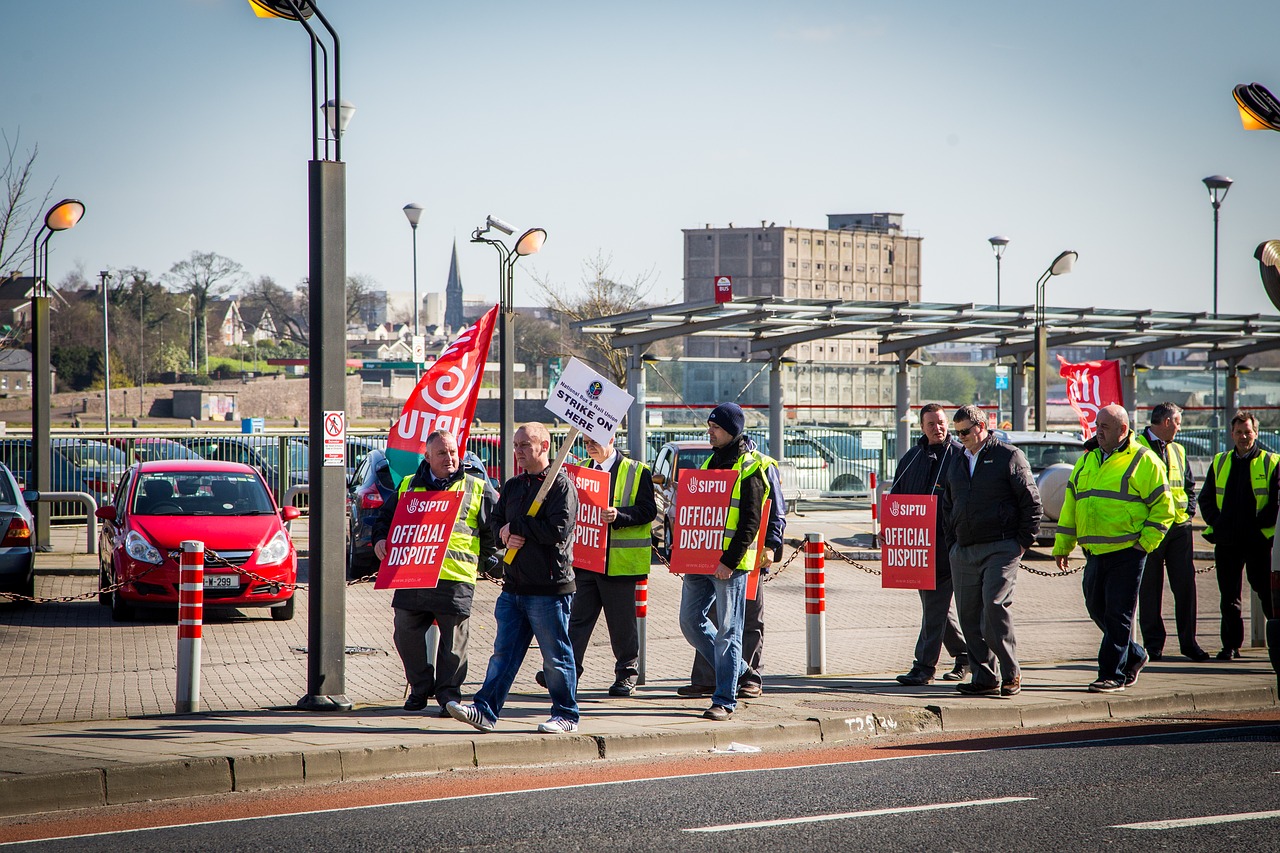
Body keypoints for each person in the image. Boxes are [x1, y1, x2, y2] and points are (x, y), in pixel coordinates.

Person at [447, 422, 581, 734]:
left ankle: (566, 714)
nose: (518, 451)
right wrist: (504, 533)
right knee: (503, 655)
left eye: (525, 445)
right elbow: (496, 522)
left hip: (550, 589)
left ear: (544, 446)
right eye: (515, 444)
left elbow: (557, 531)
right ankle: (485, 710)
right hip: (514, 588)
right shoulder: (513, 486)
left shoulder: (560, 486)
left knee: (556, 658)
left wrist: (517, 526)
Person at [372, 429, 498, 716]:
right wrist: (380, 539)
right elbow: (384, 518)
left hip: (455, 577)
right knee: (405, 633)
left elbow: (495, 524)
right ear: (427, 457)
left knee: (454, 643)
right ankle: (419, 687)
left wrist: (490, 557)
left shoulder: (476, 486)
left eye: (453, 452)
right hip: (412, 573)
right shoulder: (407, 484)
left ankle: (448, 696)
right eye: (442, 453)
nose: (450, 458)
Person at [1054, 404, 1174, 693]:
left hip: (1127, 552)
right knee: (1097, 608)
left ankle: (1112, 674)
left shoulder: (1144, 460)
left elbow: (1164, 509)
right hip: (1094, 552)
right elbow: (1072, 505)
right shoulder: (1087, 460)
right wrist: (1063, 545)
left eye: (1105, 427)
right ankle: (1134, 654)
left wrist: (1143, 545)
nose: (1098, 431)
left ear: (1123, 429)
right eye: (1097, 426)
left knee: (1118, 614)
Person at [540, 434, 656, 697]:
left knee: (621, 624)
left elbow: (649, 510)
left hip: (619, 565)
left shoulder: (637, 471)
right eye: (585, 441)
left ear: (612, 438)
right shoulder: (581, 469)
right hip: (586, 561)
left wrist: (620, 515)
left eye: (594, 441)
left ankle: (626, 674)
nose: (589, 446)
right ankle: (566, 672)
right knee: (577, 620)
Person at [941, 404, 1041, 697]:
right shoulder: (958, 460)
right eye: (956, 433)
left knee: (993, 609)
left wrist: (1021, 542)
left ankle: (1011, 673)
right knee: (969, 616)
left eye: (965, 432)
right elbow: (948, 504)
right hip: (964, 549)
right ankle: (984, 677)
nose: (960, 438)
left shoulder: (1008, 456)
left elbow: (1031, 502)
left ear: (981, 427)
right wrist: (953, 544)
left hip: (1001, 546)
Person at [678, 402, 770, 721]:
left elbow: (751, 521)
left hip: (728, 565)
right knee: (690, 621)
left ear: (731, 430)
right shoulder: (709, 463)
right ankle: (743, 672)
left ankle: (724, 699)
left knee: (729, 631)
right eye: (709, 426)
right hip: (700, 560)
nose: (710, 431)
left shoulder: (749, 466)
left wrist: (729, 560)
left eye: (715, 427)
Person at [891, 403, 970, 686]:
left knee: (935, 609)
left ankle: (924, 668)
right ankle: (965, 656)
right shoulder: (912, 458)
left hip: (948, 547)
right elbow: (896, 498)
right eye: (931, 424)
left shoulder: (960, 456)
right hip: (918, 548)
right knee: (936, 610)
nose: (937, 428)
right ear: (922, 428)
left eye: (941, 422)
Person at [1197, 410, 1279, 661]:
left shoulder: (1271, 461)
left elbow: (1276, 502)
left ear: (1256, 433)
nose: (1244, 436)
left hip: (1259, 542)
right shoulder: (1221, 461)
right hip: (1227, 541)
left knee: (1268, 594)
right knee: (1229, 598)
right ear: (1231, 434)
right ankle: (1230, 646)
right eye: (1239, 432)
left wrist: (1257, 528)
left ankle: (1276, 644)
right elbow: (1206, 498)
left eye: (1248, 432)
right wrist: (1218, 523)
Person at [1135, 403, 1210, 662]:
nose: (1179, 428)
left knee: (1185, 587)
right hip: (1151, 528)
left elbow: (1189, 486)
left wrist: (1188, 513)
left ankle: (1189, 643)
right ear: (1166, 422)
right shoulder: (1137, 448)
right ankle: (1153, 645)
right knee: (1150, 590)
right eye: (1177, 423)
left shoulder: (1178, 449)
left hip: (1179, 528)